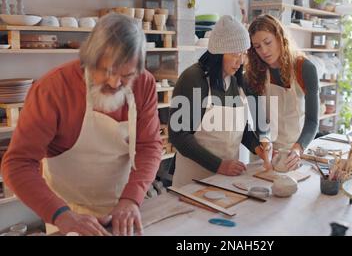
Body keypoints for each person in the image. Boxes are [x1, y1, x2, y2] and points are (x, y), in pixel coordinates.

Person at [1, 13, 163, 236]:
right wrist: (61, 215)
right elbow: (17, 164)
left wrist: (131, 199)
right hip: (68, 212)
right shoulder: (53, 89)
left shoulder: (144, 83)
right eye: (107, 72)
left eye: (126, 75)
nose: (115, 83)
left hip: (122, 207)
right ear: (88, 59)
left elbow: (149, 146)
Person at [169, 15, 271, 187]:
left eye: (243, 53)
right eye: (234, 54)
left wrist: (257, 147)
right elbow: (179, 136)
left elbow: (240, 128)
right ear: (217, 53)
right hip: (193, 181)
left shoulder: (236, 80)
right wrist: (219, 165)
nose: (240, 61)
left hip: (226, 180)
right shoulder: (193, 78)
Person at [246, 14, 320, 171]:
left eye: (268, 42)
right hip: (266, 149)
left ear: (279, 37)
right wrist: (266, 145)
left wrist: (298, 149)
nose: (264, 51)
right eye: (257, 47)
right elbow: (259, 119)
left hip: (296, 148)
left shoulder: (304, 68)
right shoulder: (254, 73)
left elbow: (312, 121)